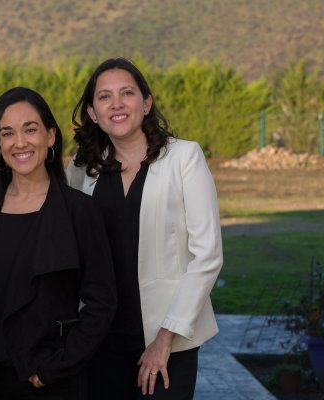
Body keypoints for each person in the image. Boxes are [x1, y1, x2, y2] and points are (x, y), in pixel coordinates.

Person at [0, 87, 117, 400]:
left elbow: (102, 303)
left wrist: (56, 368)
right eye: (7, 133)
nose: (20, 142)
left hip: (49, 385)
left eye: (30, 129)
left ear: (50, 137)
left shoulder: (79, 212)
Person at [66, 58, 223, 399]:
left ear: (146, 102)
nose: (117, 104)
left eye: (127, 93)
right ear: (93, 112)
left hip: (167, 343)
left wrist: (165, 337)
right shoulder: (81, 169)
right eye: (104, 97)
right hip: (99, 339)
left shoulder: (184, 158)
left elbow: (207, 256)